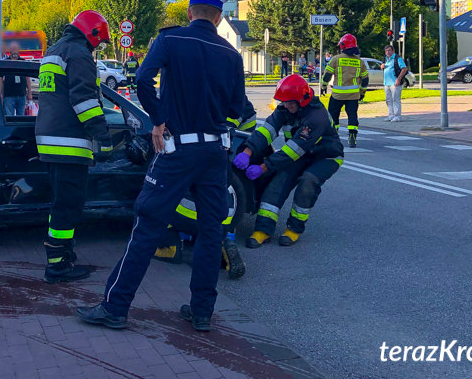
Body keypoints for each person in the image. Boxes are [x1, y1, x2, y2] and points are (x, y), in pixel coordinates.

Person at [77, 0, 244, 332]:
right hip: (215, 153)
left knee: (148, 223)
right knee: (212, 231)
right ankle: (201, 313)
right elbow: (237, 108)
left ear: (189, 13)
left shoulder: (171, 39)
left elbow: (142, 80)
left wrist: (159, 120)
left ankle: (115, 307)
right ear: (217, 18)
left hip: (177, 150)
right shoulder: (231, 53)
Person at [35, 10, 113, 283]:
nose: (96, 47)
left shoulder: (55, 51)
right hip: (69, 144)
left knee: (61, 203)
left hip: (50, 141)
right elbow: (84, 101)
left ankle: (62, 255)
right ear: (92, 33)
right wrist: (103, 135)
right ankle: (57, 266)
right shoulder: (78, 54)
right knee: (68, 206)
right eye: (98, 42)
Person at [155, 95, 257, 280]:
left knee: (158, 199)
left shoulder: (187, 104)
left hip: (182, 214)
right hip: (215, 209)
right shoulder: (226, 93)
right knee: (214, 220)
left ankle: (170, 247)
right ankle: (223, 244)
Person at [235, 74, 343, 249]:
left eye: (290, 102)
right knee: (278, 182)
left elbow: (292, 150)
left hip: (325, 157)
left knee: (308, 181)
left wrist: (263, 167)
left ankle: (294, 229)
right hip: (300, 154)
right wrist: (247, 151)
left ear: (303, 99)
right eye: (284, 102)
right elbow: (267, 131)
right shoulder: (285, 108)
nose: (286, 105)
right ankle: (263, 230)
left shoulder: (316, 117)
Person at [322, 34, 369, 148]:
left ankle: (334, 137)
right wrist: (362, 93)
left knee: (333, 116)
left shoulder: (336, 59)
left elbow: (327, 75)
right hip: (353, 95)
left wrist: (324, 86)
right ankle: (352, 137)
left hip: (338, 95)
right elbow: (365, 79)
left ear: (342, 46)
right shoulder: (359, 61)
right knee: (352, 116)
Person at [0, 42, 32, 116]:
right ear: (10, 50)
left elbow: (27, 78)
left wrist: (29, 93)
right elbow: (0, 78)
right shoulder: (5, 62)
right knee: (9, 117)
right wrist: (0, 93)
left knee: (21, 117)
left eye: (16, 49)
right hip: (8, 95)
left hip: (22, 95)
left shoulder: (23, 62)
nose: (14, 50)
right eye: (13, 49)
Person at [381, 44, 408, 122]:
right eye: (386, 51)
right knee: (388, 100)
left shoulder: (397, 58)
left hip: (395, 82)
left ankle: (397, 116)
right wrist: (382, 66)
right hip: (387, 83)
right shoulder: (385, 59)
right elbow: (384, 68)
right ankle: (391, 115)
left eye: (389, 50)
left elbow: (404, 68)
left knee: (395, 100)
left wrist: (399, 79)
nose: (388, 52)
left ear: (393, 51)